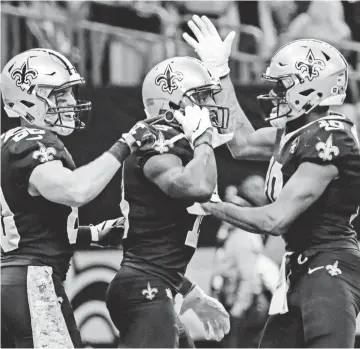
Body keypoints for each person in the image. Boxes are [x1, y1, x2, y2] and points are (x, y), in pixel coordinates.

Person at [181, 15, 360, 348]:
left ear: (311, 87)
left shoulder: (330, 137)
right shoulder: (296, 133)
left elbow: (275, 219)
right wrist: (220, 74)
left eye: (282, 86)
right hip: (298, 268)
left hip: (329, 267)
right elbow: (241, 142)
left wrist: (213, 204)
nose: (274, 94)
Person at [0, 48, 161, 348]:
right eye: (60, 96)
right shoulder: (32, 142)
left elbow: (27, 229)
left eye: (70, 94)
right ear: (27, 98)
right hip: (32, 283)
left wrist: (95, 233)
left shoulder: (12, 144)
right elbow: (76, 190)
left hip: (17, 281)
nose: (71, 103)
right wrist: (126, 143)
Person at [105, 56, 231, 348]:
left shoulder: (180, 146)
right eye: (200, 97)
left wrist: (190, 292)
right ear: (172, 103)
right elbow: (197, 187)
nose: (209, 106)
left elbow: (154, 239)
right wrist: (202, 140)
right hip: (145, 288)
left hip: (158, 283)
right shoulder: (159, 143)